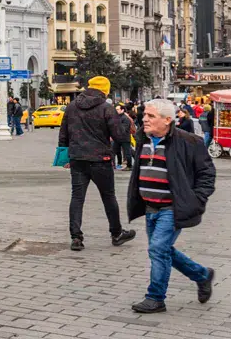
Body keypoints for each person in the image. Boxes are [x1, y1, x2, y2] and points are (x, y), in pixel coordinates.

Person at [128, 98, 216, 314]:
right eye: (144, 115)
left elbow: (207, 174)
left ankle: (155, 297)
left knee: (158, 249)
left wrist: (196, 199)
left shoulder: (189, 141)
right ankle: (202, 275)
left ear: (167, 120)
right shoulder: (143, 138)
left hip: (172, 208)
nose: (144, 119)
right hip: (150, 207)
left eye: (150, 116)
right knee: (162, 250)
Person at [58, 76, 137, 252]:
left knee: (77, 198)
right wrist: (127, 125)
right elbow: (119, 136)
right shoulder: (106, 108)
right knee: (108, 197)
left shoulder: (71, 107)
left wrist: (65, 158)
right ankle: (116, 233)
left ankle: (76, 238)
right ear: (105, 90)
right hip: (101, 159)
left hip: (77, 159)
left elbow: (63, 134)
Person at [112, 103, 134, 171]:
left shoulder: (125, 118)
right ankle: (116, 164)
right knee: (114, 151)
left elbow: (124, 130)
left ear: (122, 110)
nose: (116, 111)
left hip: (124, 138)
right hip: (117, 138)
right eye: (115, 109)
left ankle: (129, 166)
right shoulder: (117, 117)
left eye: (118, 109)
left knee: (127, 152)